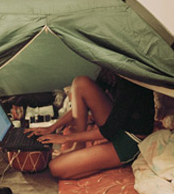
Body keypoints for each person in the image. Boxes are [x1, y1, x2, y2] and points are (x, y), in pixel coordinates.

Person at [25, 74, 154, 179]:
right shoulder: (110, 70)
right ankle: (78, 147)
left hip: (129, 139)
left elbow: (107, 131)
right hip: (116, 123)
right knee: (80, 83)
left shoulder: (131, 81)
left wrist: (66, 138)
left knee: (55, 167)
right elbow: (83, 102)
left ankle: (101, 163)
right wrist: (52, 127)